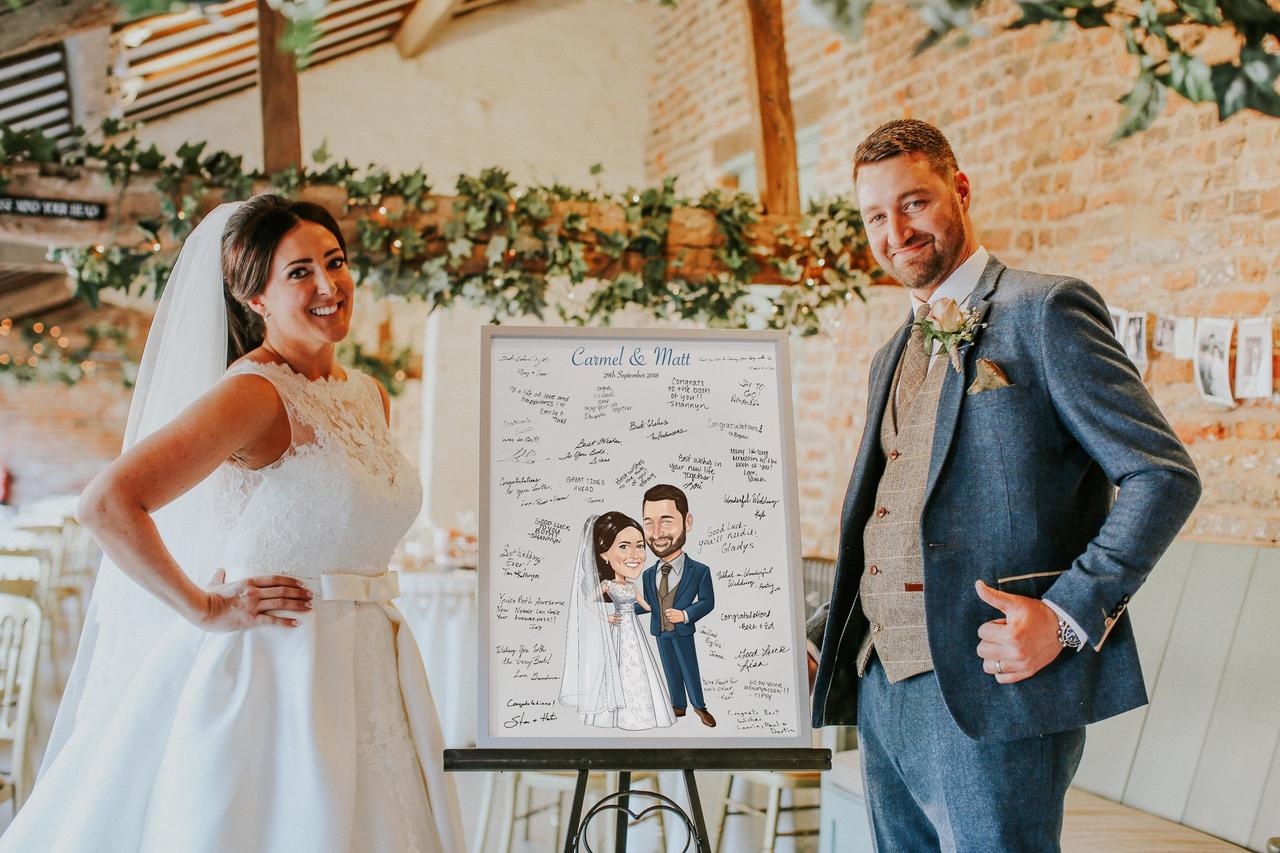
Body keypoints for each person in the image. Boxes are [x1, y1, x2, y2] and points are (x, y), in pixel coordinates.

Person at [1, 196, 465, 852]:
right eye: (299, 272)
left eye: (334, 262)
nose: (328, 285)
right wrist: (205, 606)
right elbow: (107, 502)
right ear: (256, 299)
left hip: (368, 669)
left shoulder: (369, 395)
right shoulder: (252, 394)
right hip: (275, 672)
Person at [807, 120, 1200, 851]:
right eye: (874, 216)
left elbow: (1162, 475)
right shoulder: (889, 354)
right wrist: (823, 635)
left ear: (959, 188)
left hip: (995, 688)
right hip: (880, 688)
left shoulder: (1045, 311)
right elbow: (893, 517)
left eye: (914, 203)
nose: (895, 231)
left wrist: (1064, 617)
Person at [558, 512, 675, 731]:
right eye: (623, 546)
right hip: (619, 628)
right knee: (617, 666)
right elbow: (588, 603)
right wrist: (607, 617)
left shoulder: (632, 586)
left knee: (640, 667)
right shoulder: (607, 586)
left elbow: (648, 606)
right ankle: (612, 714)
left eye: (640, 546)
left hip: (634, 630)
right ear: (604, 554)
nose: (635, 554)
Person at [637, 484, 716, 727]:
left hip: (682, 631)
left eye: (667, 521)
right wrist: (620, 607)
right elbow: (649, 603)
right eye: (648, 522)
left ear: (687, 522)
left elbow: (707, 602)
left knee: (689, 670)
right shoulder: (649, 574)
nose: (657, 532)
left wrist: (685, 614)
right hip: (661, 632)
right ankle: (677, 705)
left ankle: (700, 707)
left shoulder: (700, 571)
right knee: (670, 670)